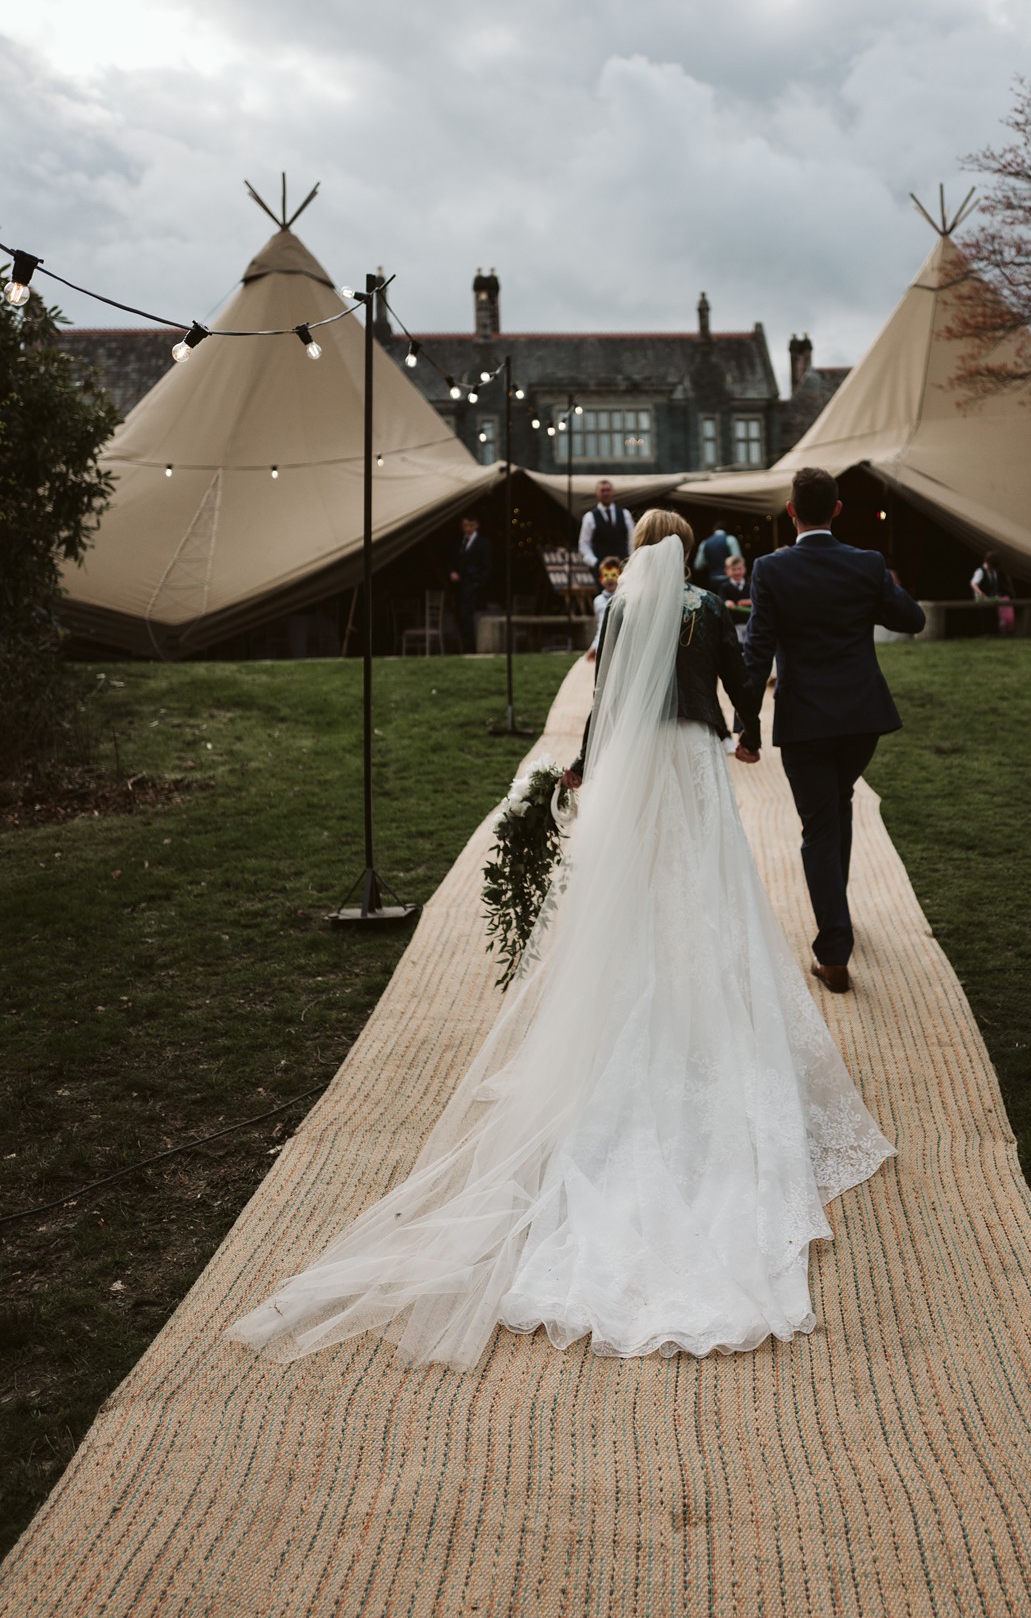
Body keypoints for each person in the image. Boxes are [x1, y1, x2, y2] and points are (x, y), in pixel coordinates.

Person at [228, 510, 892, 1372]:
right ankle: (704, 1006)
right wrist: (748, 733)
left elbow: (606, 694)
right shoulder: (701, 607)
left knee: (630, 892)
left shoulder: (618, 610)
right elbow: (735, 678)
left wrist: (582, 762)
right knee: (705, 889)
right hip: (688, 762)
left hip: (633, 763)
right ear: (686, 550)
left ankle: (627, 995)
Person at [743, 467, 925, 994]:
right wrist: (880, 579)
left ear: (790, 510)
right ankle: (838, 919)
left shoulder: (770, 569)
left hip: (804, 721)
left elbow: (757, 653)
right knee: (836, 807)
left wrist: (747, 728)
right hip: (861, 720)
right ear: (838, 510)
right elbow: (911, 620)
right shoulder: (866, 564)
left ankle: (834, 952)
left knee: (820, 827)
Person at [449, 515, 492, 653]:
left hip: (472, 584)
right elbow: (451, 561)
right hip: (459, 585)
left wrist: (478, 583)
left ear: (476, 525)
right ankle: (464, 645)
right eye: (464, 526)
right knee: (460, 615)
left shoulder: (482, 543)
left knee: (467, 615)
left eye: (469, 525)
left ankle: (471, 646)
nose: (467, 529)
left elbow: (487, 566)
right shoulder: (459, 543)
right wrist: (452, 572)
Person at [577, 480, 634, 573]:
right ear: (596, 493)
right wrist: (596, 563)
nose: (606, 493)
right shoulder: (590, 517)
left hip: (624, 568)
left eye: (608, 490)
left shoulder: (625, 514)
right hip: (601, 571)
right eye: (602, 490)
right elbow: (584, 545)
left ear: (613, 491)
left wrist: (630, 561)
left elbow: (632, 540)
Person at [587, 557, 621, 656]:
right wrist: (595, 645)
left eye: (614, 575)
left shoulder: (625, 598)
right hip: (603, 646)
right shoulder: (598, 601)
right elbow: (600, 626)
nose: (610, 578)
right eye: (606, 575)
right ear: (600, 579)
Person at [694, 519, 740, 586]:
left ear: (714, 529)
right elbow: (738, 561)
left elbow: (698, 566)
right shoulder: (731, 539)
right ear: (727, 530)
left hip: (713, 579)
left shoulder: (705, 543)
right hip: (729, 580)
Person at [712, 553, 752, 619]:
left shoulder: (750, 586)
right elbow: (721, 600)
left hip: (748, 620)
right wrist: (727, 602)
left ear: (745, 569)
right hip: (733, 621)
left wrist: (748, 601)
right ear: (726, 571)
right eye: (733, 569)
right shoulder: (724, 587)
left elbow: (756, 600)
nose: (737, 572)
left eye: (739, 569)